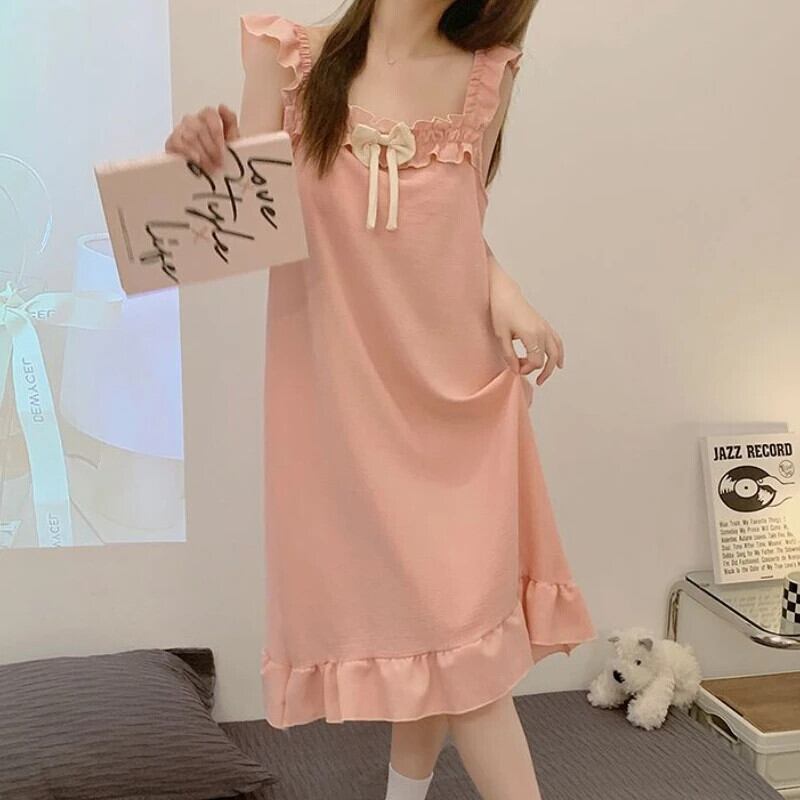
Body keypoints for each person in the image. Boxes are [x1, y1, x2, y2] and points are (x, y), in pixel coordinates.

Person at [165, 2, 596, 798]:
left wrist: (505, 291)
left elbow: (459, 230)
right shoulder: (286, 61)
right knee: (441, 638)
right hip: (347, 409)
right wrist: (200, 164)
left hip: (454, 405)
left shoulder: (487, 78)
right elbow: (238, 235)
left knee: (448, 642)